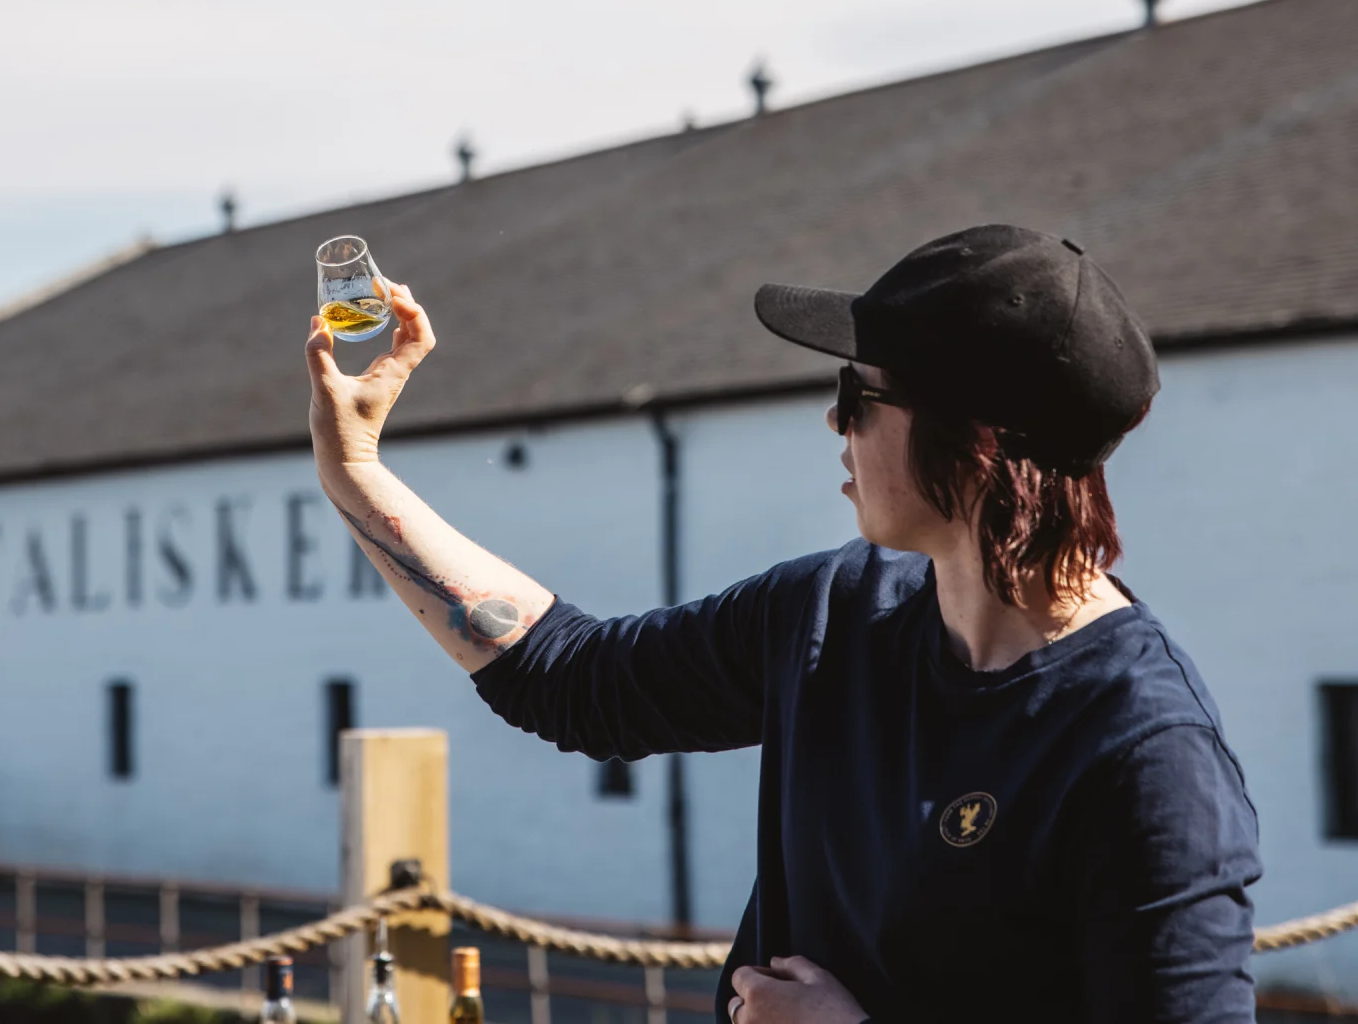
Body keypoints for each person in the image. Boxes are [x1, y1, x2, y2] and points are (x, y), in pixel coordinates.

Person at [303, 225, 1260, 1024]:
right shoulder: (834, 616)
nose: (832, 424)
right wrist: (356, 471)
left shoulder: (1147, 757)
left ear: (976, 445)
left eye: (857, 396)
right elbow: (576, 681)